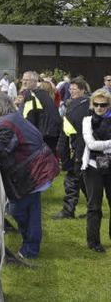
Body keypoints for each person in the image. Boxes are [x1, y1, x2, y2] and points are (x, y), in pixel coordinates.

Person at [0, 93, 59, 259]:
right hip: (40, 169)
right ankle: (31, 248)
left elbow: (1, 146)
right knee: (31, 211)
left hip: (32, 174)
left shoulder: (6, 123)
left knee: (19, 210)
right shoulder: (13, 118)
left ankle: (30, 249)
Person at [53, 77, 90, 219]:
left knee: (72, 181)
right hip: (87, 149)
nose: (71, 91)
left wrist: (64, 156)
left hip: (78, 150)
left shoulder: (73, 107)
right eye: (70, 89)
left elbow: (66, 134)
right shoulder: (89, 104)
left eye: (75, 89)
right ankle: (92, 209)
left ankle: (68, 210)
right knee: (83, 181)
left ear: (83, 90)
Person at [81, 88, 111, 253]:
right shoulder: (87, 120)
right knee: (94, 206)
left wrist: (104, 144)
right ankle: (93, 242)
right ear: (92, 105)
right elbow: (91, 144)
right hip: (93, 166)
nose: (100, 108)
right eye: (97, 104)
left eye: (103, 105)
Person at [15, 71, 62, 154]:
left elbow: (28, 118)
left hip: (46, 133)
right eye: (23, 79)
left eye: (27, 80)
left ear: (34, 81)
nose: (24, 82)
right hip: (52, 131)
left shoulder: (32, 95)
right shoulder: (41, 93)